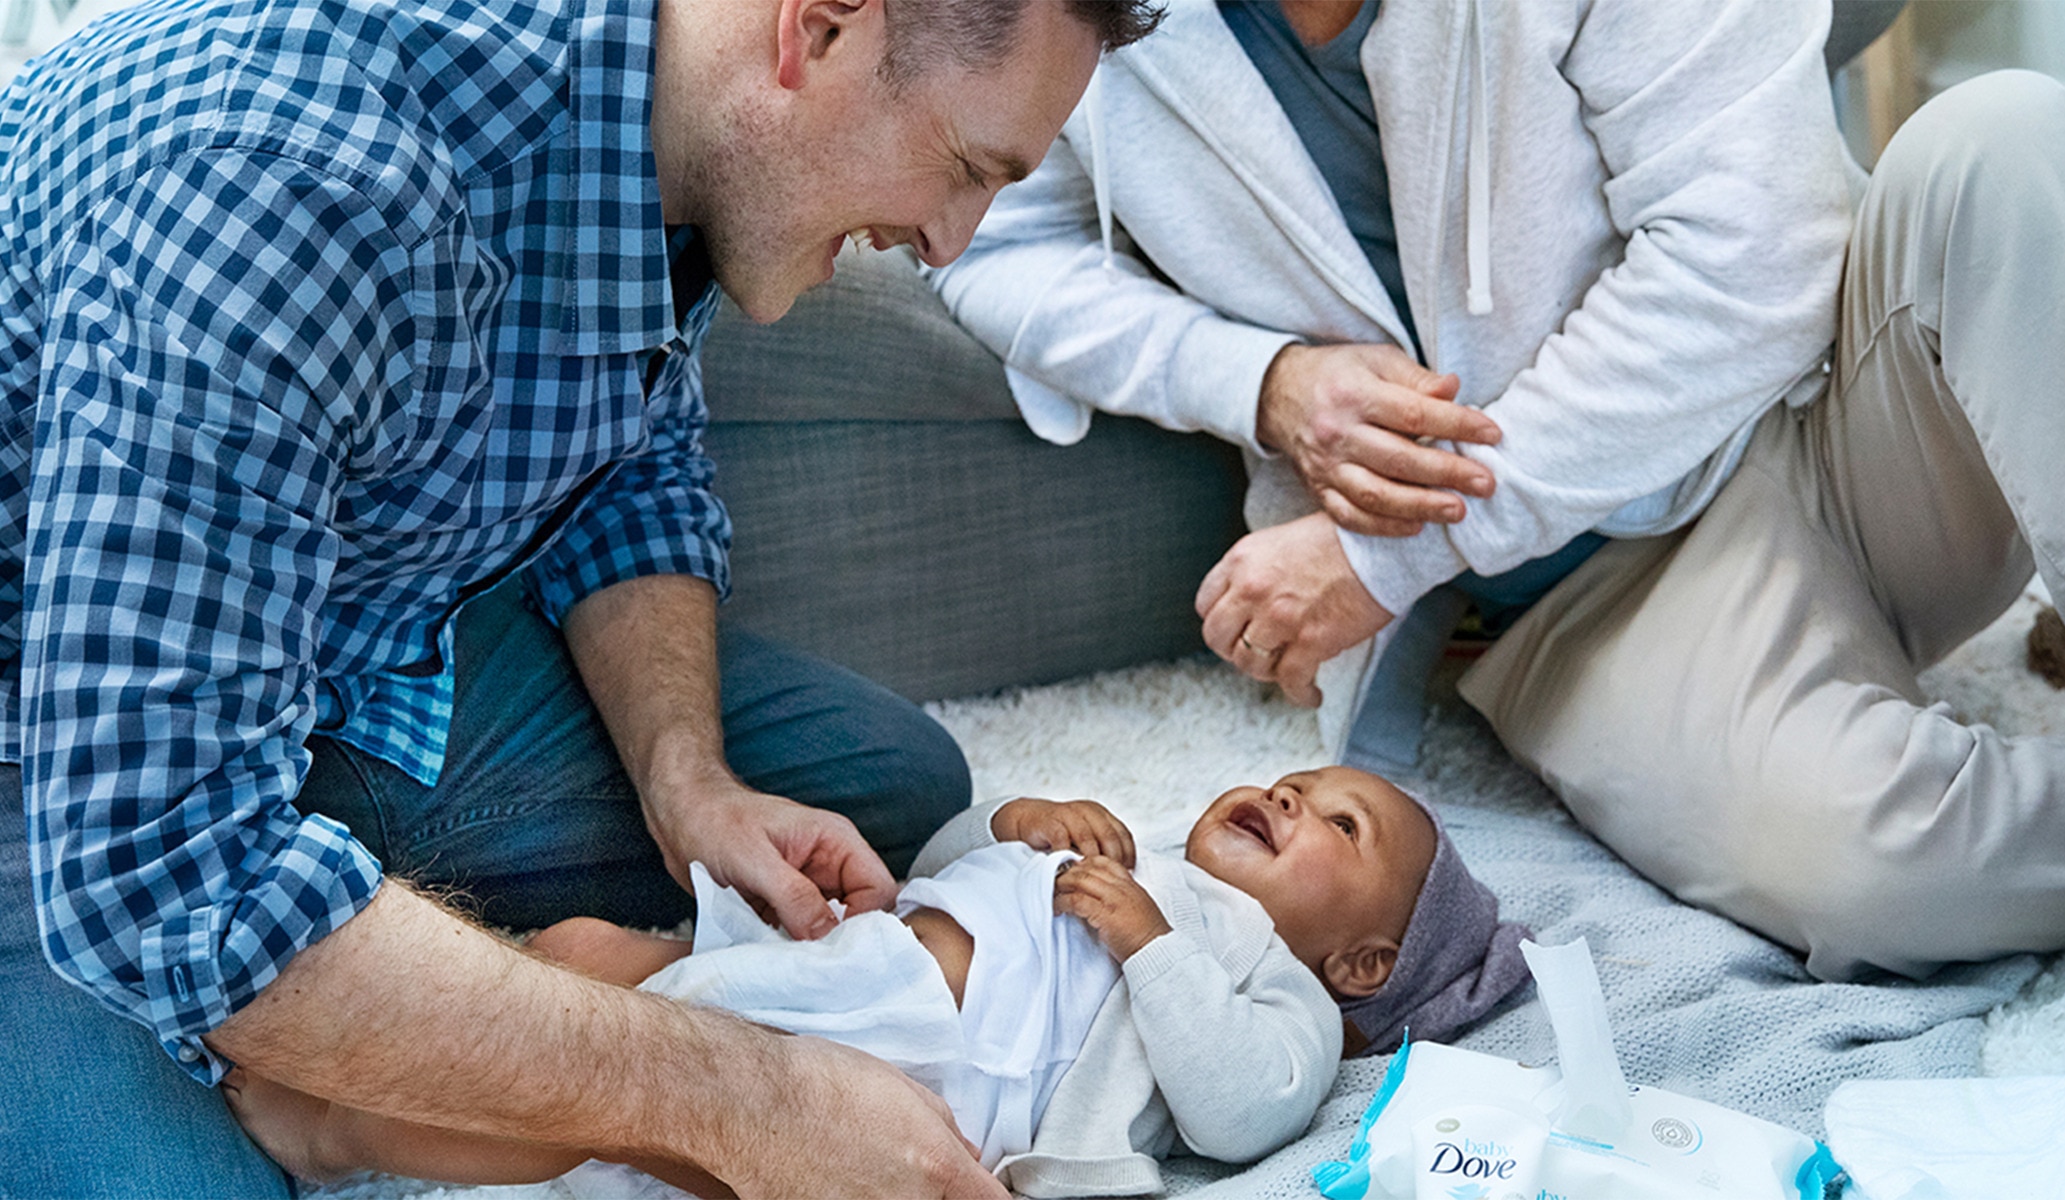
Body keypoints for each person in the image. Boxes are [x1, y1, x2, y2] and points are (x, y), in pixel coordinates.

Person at [0, 1, 1164, 1196]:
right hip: (56, 765)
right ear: (815, 29)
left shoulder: (681, 135)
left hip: (353, 637)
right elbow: (163, 877)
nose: (950, 243)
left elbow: (631, 470)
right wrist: (751, 1102)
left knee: (891, 783)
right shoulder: (282, 188)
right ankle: (330, 974)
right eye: (966, 168)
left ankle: (360, 932)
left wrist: (685, 780)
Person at [931, 0, 2065, 981]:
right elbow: (989, 246)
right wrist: (1259, 381)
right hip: (1596, 602)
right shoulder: (1088, 24)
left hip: (1842, 413)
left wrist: (1390, 552)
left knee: (2006, 139)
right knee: (1880, 877)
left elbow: (1759, 257)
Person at [216, 765, 1531, 1195]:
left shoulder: (1275, 988)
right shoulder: (1126, 846)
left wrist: (1153, 946)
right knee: (585, 964)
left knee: (604, 1089)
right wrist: (1016, 825)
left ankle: (332, 1117)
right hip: (856, 974)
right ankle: (347, 1050)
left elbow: (1236, 1113)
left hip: (913, 1075)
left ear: (1359, 958)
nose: (1289, 794)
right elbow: (945, 884)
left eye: (1334, 827)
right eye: (1294, 783)